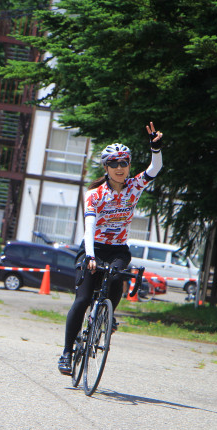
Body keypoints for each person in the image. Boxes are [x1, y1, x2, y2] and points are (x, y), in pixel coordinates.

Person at [58, 122, 163, 375]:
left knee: (117, 275)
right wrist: (91, 256)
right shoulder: (95, 194)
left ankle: (107, 314)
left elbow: (154, 169)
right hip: (93, 248)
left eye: (123, 163)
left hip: (117, 250)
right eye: (113, 164)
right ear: (106, 167)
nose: (119, 168)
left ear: (128, 166)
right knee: (82, 299)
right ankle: (67, 352)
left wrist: (156, 149)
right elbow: (89, 227)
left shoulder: (134, 187)